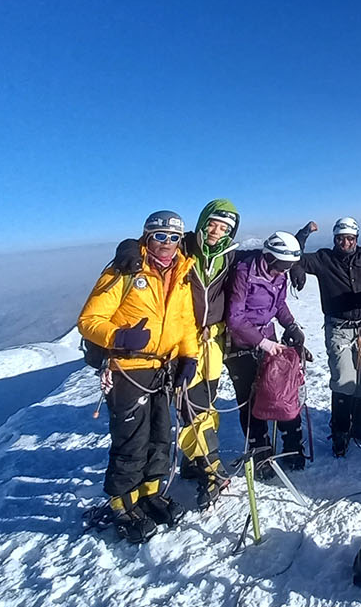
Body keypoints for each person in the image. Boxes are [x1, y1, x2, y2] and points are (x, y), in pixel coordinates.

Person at [78, 210, 200, 543]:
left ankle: (149, 494)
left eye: (174, 237)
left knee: (161, 434)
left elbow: (186, 321)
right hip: (129, 368)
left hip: (165, 366)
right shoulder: (126, 270)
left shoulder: (180, 272)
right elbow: (89, 319)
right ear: (147, 236)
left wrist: (189, 357)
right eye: (160, 236)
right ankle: (122, 505)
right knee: (132, 440)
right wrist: (118, 337)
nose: (167, 244)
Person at [112, 199, 240, 508]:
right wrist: (126, 248)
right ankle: (210, 465)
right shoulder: (183, 248)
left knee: (206, 403)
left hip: (214, 342)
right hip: (184, 340)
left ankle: (191, 461)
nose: (216, 231)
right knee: (190, 406)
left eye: (225, 228)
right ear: (202, 221)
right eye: (212, 223)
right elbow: (148, 243)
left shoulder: (230, 256)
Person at [295, 217, 361, 456]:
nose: (345, 242)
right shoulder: (324, 259)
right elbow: (295, 256)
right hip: (339, 328)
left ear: (356, 239)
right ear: (335, 239)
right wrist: (305, 232)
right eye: (340, 238)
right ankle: (341, 430)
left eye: (350, 238)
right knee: (345, 378)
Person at [223, 231, 308, 478]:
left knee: (280, 392)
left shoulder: (277, 275)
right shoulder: (243, 273)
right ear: (269, 257)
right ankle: (259, 451)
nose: (285, 271)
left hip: (266, 337)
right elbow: (235, 318)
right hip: (241, 344)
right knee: (250, 399)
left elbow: (279, 304)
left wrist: (291, 325)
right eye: (283, 265)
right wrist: (264, 343)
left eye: (289, 266)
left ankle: (292, 443)